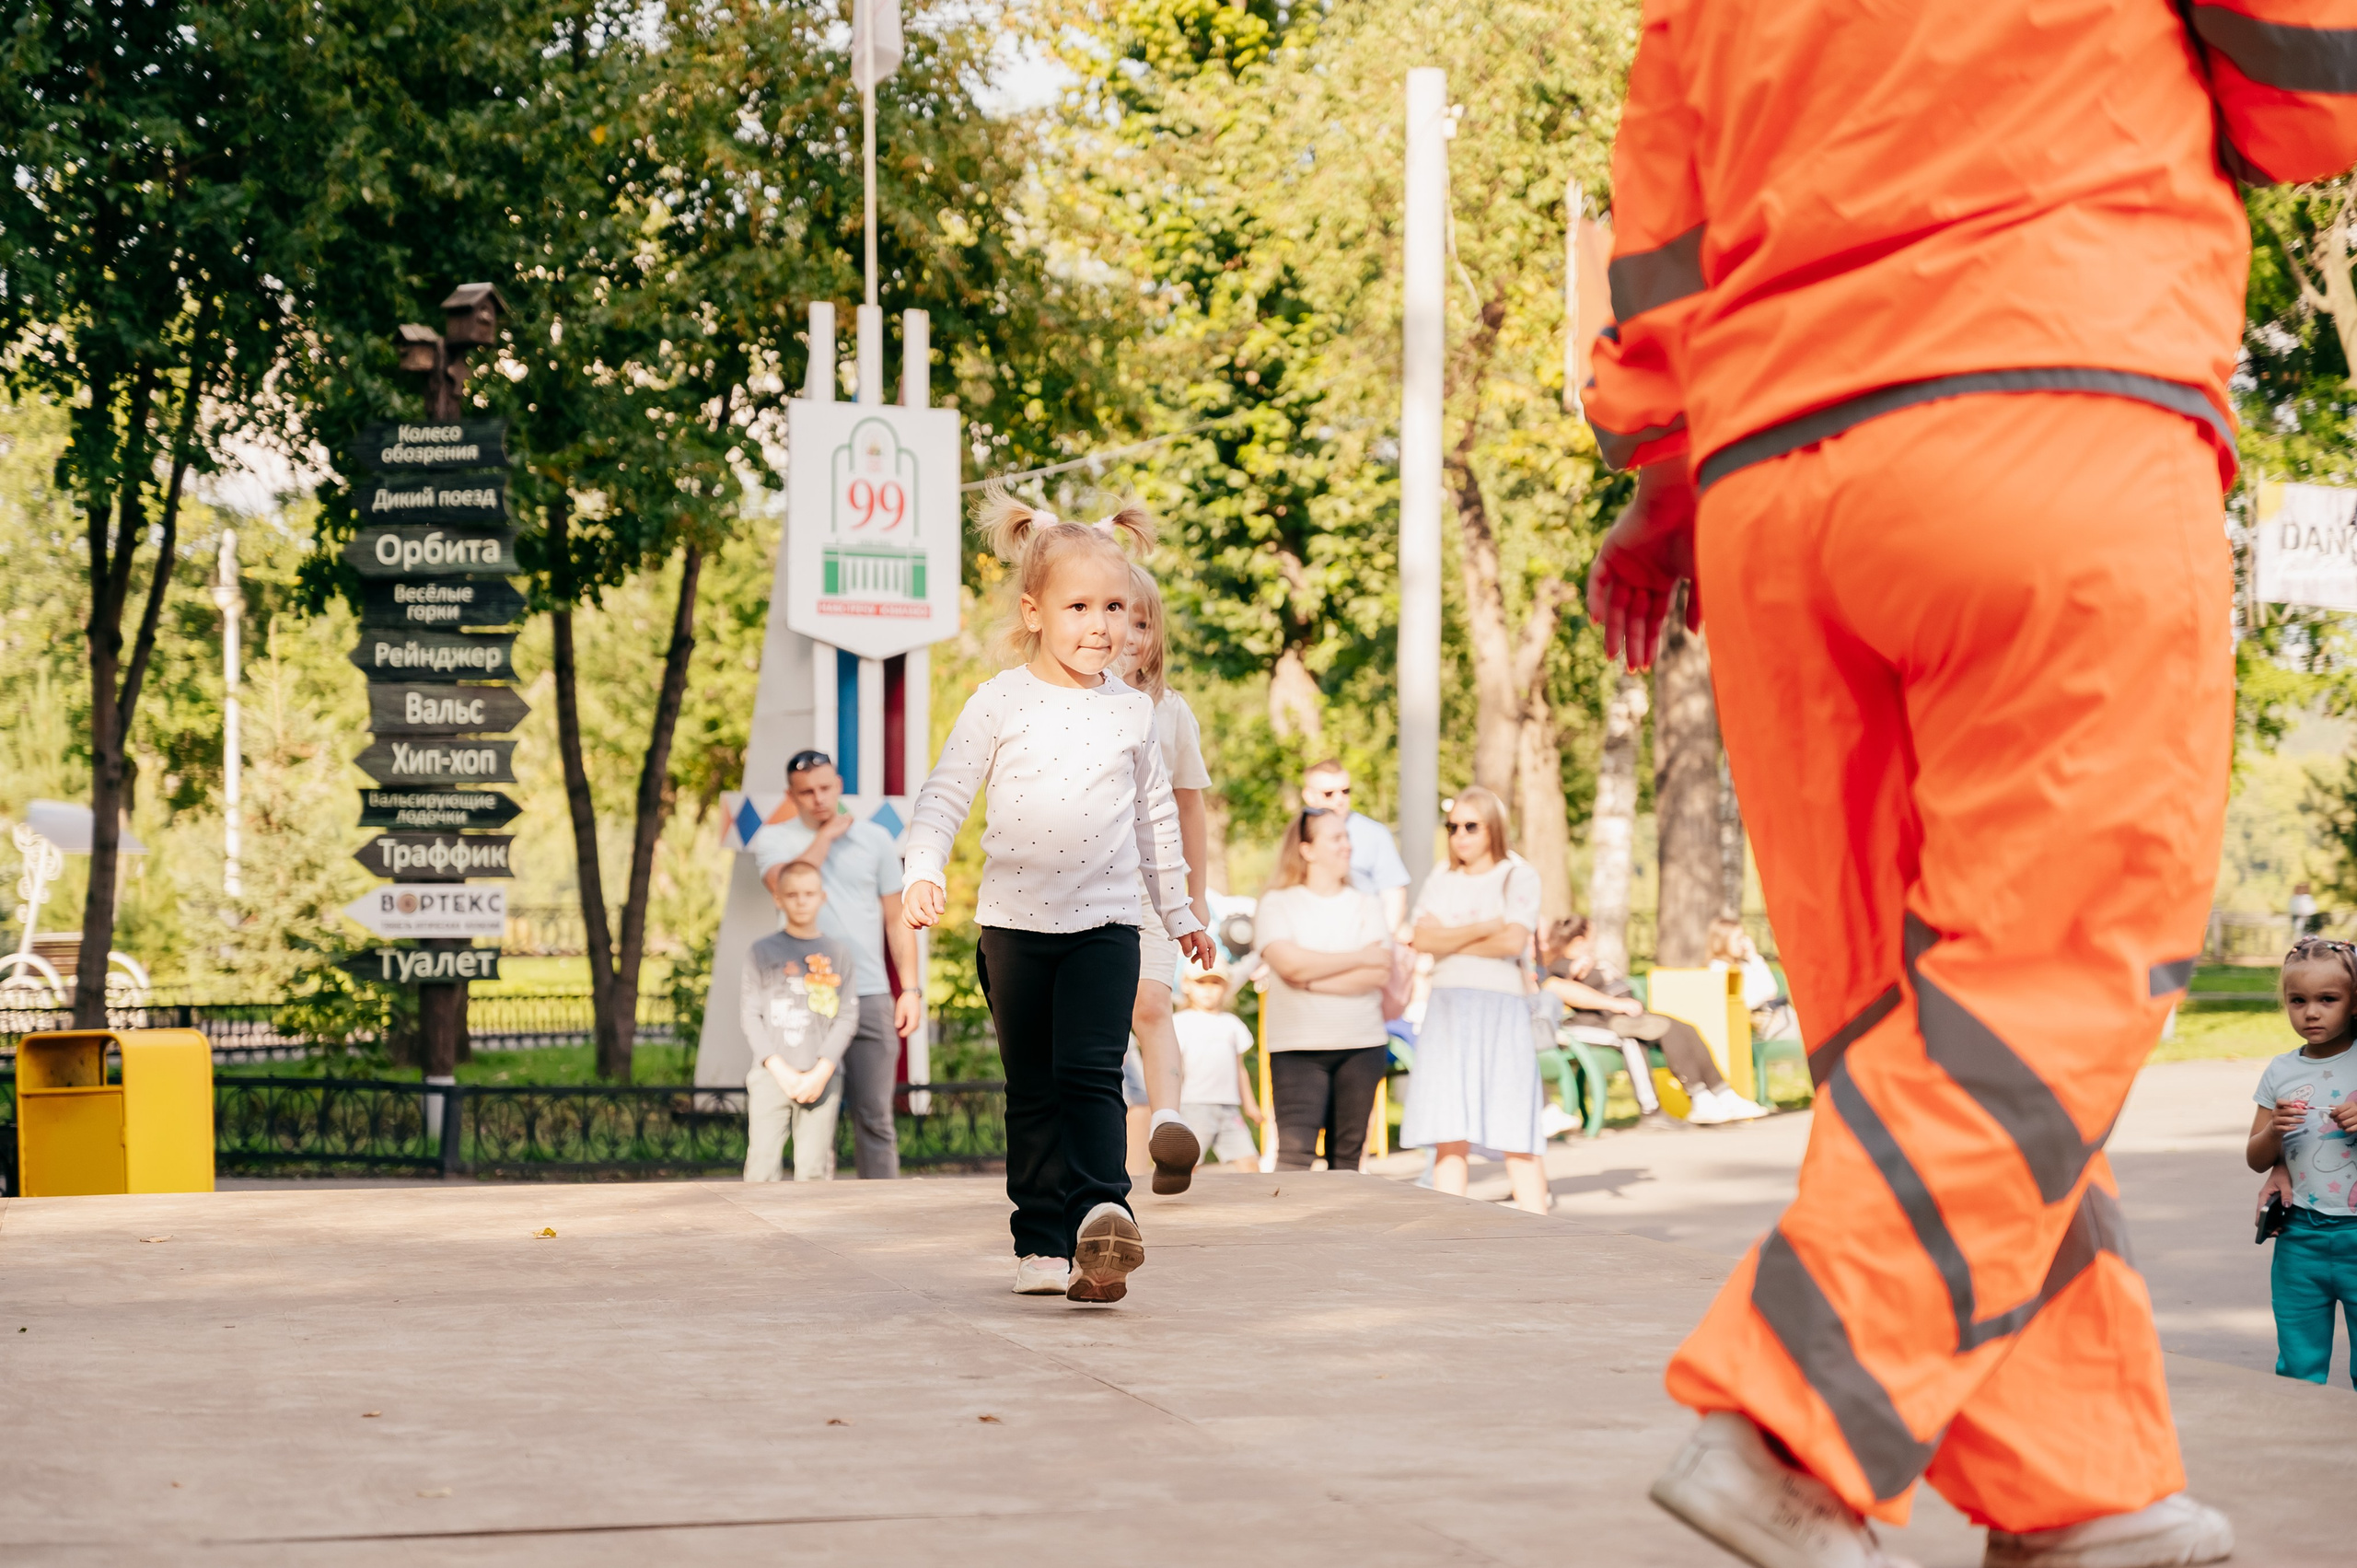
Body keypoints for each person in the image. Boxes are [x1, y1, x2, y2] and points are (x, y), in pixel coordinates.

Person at [1575, 1, 2353, 1559]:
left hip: (1769, 484)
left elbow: (1660, 216)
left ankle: (2075, 1481)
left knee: (1911, 1029)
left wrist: (1657, 468)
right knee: (2057, 971)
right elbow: (2306, 89)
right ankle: (1796, 1419)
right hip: (2049, 395)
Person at [901, 489, 1213, 1304]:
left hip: (1106, 925)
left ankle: (1104, 1217)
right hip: (1013, 928)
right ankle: (1040, 1242)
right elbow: (944, 793)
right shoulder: (999, 699)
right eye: (1080, 606)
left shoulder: (1131, 712)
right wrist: (923, 865)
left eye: (1115, 606)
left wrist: (1179, 914)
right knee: (1032, 1086)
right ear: (1035, 610)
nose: (1102, 625)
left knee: (1091, 1074)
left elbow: (1155, 823)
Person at [748, 749, 924, 1180]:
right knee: (812, 1120)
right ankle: (816, 1219)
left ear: (839, 785)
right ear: (792, 795)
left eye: (826, 788)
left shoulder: (875, 840)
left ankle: (881, 1215)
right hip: (801, 1000)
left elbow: (895, 918)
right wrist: (827, 836)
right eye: (806, 792)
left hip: (868, 992)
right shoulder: (774, 840)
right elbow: (789, 882)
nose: (819, 798)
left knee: (875, 1116)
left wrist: (910, 989)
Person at [1112, 563, 1219, 1194]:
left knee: (1152, 1002)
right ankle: (1107, 1142)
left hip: (1157, 885)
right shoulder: (1071, 703)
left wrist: (1195, 893)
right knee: (1102, 1023)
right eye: (1120, 615)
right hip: (1086, 888)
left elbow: (1190, 804)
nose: (1130, 633)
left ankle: (1169, 1120)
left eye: (1144, 622)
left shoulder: (1171, 711)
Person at [1399, 787, 1550, 1215]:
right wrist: (1485, 926)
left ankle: (1541, 1227)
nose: (1459, 835)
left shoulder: (1517, 875)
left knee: (1514, 1123)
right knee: (1450, 1128)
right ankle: (1452, 1228)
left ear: (1493, 828)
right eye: (1451, 827)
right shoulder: (1441, 878)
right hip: (1447, 1006)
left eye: (1470, 826)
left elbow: (1514, 939)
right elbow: (1421, 939)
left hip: (1502, 1006)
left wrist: (1448, 939)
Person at [1253, 806, 1394, 1173]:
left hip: (1362, 1044)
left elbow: (1379, 970)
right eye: (1335, 838)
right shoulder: (1277, 902)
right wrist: (1358, 956)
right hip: (1298, 1047)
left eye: (1346, 836)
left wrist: (1309, 978)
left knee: (1348, 1160)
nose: (1346, 845)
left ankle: (1344, 1232)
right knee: (1295, 1157)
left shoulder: (1367, 902)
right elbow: (1288, 964)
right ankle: (1290, 1232)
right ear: (1307, 848)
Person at [2247, 937, 2357, 1388]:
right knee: (2297, 1364)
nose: (2311, 1013)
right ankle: (2298, 1446)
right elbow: (2255, 1158)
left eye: (2327, 1000)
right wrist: (2274, 1132)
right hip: (2299, 1237)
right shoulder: (2280, 1071)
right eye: (2298, 1001)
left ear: (2353, 1003)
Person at [1540, 916, 1764, 1128]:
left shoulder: (1592, 962)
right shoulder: (1563, 966)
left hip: (1631, 1016)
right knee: (1660, 1030)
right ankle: (1698, 1096)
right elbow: (1558, 987)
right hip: (1609, 1021)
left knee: (1684, 1027)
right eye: (1592, 936)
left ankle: (1722, 1093)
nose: (1595, 942)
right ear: (1579, 940)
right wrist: (1610, 1000)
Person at [740, 862, 862, 1182]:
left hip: (821, 1079)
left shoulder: (838, 952)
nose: (801, 901)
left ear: (822, 897)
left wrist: (821, 1071)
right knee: (761, 1167)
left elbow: (847, 1016)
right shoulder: (761, 951)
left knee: (813, 1171)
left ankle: (811, 1234)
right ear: (777, 899)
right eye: (792, 894)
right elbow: (751, 1015)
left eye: (809, 893)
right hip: (770, 1076)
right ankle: (759, 1234)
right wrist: (779, 1069)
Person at [1301, 759, 1411, 932]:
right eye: (1329, 793)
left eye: (1345, 791)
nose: (1340, 799)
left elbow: (1393, 895)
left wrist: (1384, 941)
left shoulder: (1375, 834)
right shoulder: (1297, 834)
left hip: (1364, 934)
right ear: (1309, 796)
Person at [1173, 968, 1264, 1170]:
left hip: (1229, 1108)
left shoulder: (1232, 1024)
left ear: (1225, 987)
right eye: (1201, 983)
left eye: (1215, 983)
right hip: (1193, 1105)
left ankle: (1258, 1201)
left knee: (1250, 1164)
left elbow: (1240, 1068)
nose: (1208, 990)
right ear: (1186, 985)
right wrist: (1172, 1107)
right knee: (1186, 1165)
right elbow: (1175, 1067)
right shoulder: (1180, 1022)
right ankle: (1176, 1201)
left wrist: (1250, 1105)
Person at [1708, 916, 1797, 1053]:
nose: (1743, 943)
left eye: (1743, 937)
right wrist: (1763, 997)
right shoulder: (1718, 969)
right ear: (1723, 941)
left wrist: (1753, 956)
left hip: (1770, 1018)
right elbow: (1747, 1001)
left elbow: (1771, 989)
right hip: (1754, 1027)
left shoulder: (1745, 966)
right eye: (1738, 939)